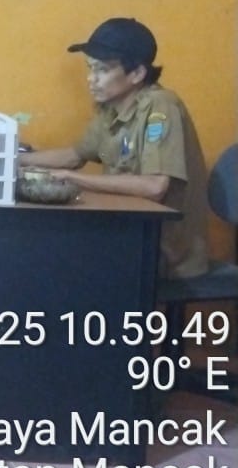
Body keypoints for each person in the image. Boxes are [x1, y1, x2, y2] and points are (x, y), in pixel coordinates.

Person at [17, 17, 209, 279]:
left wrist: (72, 179)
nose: (91, 79)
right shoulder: (112, 107)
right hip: (125, 232)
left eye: (103, 70)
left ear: (137, 74)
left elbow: (154, 186)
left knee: (48, 258)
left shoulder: (160, 107)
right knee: (37, 246)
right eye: (90, 68)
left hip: (161, 249)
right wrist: (14, 159)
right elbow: (74, 156)